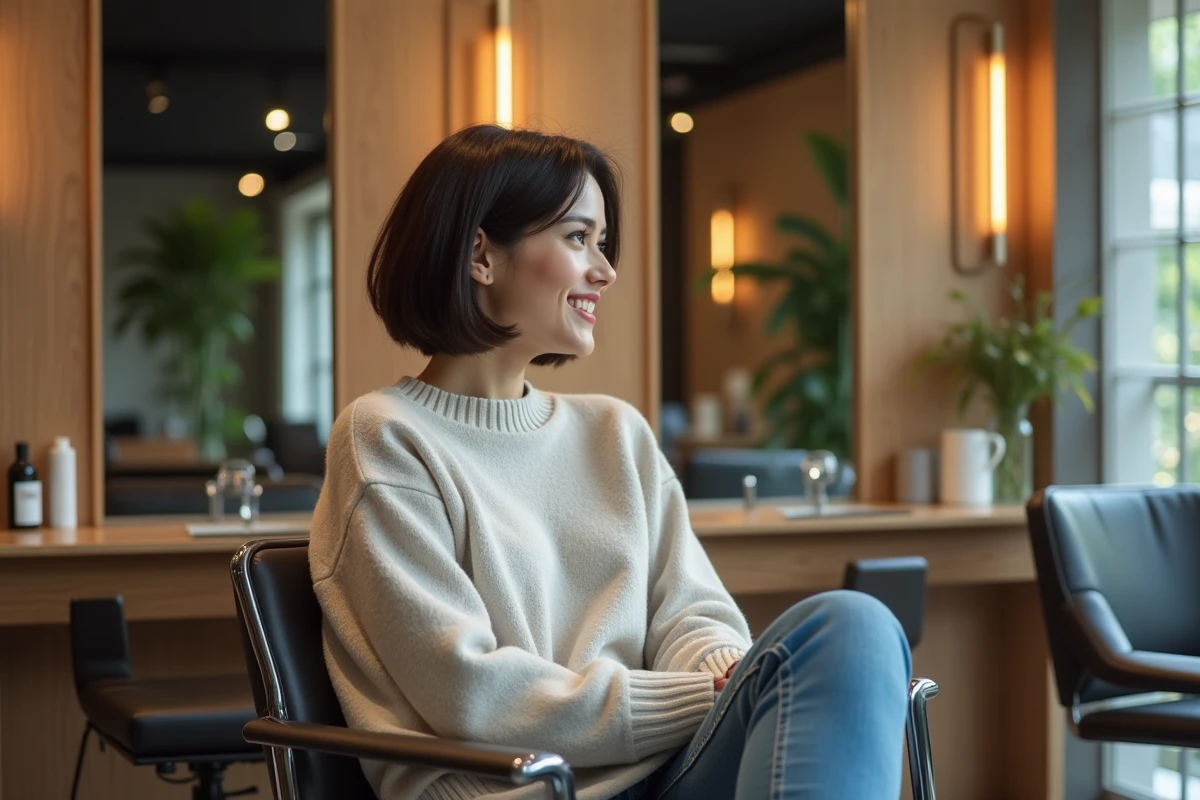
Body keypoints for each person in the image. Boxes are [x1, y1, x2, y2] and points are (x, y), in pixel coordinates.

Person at [309, 124, 911, 800]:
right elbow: (469, 692)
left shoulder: (615, 432)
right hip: (522, 787)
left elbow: (692, 613)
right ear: (481, 254)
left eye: (601, 242)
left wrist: (722, 669)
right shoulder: (385, 437)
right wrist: (699, 698)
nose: (606, 269)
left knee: (853, 624)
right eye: (576, 238)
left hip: (662, 770)